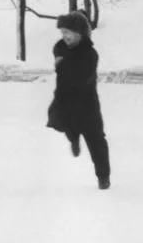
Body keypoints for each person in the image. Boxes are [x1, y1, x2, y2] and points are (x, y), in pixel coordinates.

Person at [47, 12, 111, 189]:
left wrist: (63, 64)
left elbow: (81, 77)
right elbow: (58, 48)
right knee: (63, 123)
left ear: (81, 33)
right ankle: (74, 138)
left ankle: (103, 176)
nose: (65, 36)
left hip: (86, 104)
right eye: (62, 32)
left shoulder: (89, 54)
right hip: (64, 99)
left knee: (96, 140)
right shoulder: (61, 48)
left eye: (68, 32)